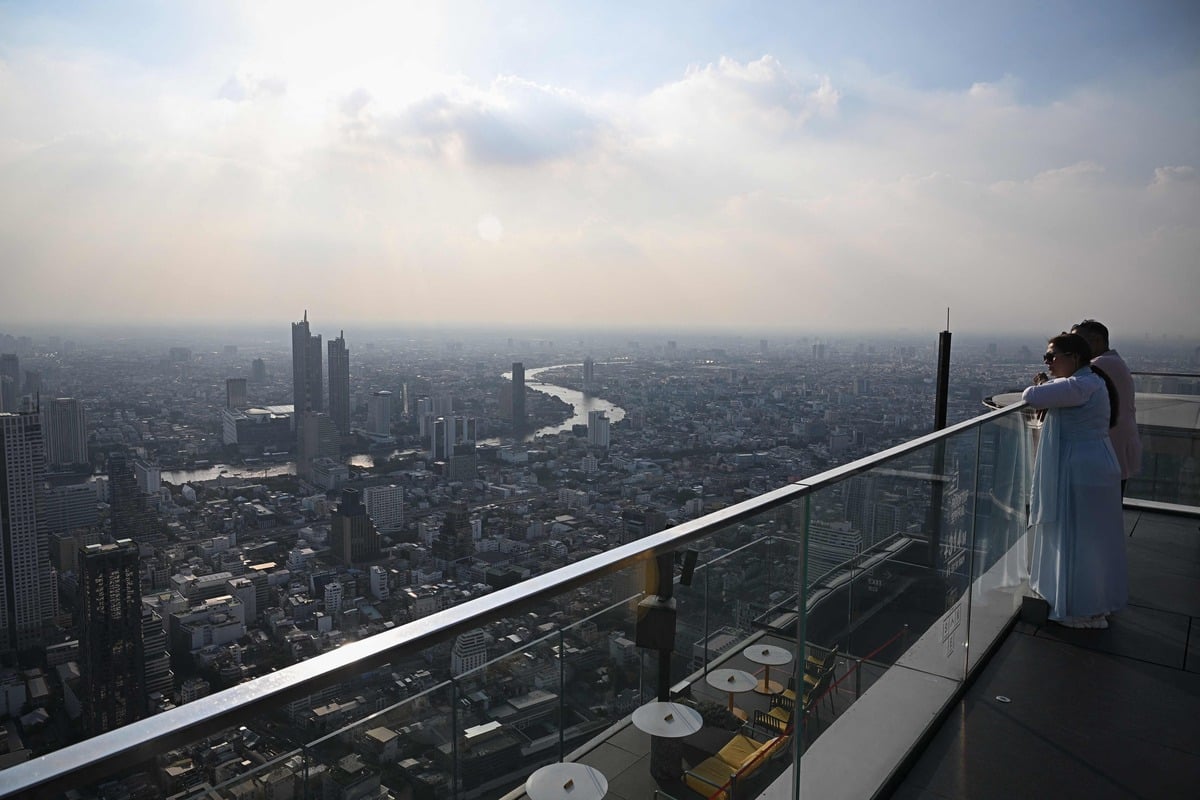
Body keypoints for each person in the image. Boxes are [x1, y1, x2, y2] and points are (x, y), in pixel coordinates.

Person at [1023, 333, 1126, 629]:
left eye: (1052, 356)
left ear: (1075, 358)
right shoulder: (1091, 382)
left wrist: (1043, 383)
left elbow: (1030, 396)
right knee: (1093, 540)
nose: (1048, 362)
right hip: (1095, 464)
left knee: (1079, 539)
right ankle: (1092, 604)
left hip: (1081, 469)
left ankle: (1079, 607)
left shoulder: (1080, 385)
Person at [1071, 319, 1141, 492]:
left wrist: (1042, 382)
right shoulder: (1113, 362)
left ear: (1096, 341)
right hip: (1119, 446)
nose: (1074, 347)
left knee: (1100, 507)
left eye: (1078, 341)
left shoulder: (1100, 365)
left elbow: (1067, 389)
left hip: (1109, 448)